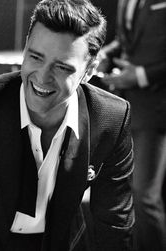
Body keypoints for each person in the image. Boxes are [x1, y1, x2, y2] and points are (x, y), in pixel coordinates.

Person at [0, 0, 134, 250]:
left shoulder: (111, 118)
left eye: (62, 67)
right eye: (35, 57)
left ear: (89, 70)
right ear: (25, 48)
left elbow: (115, 225)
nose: (42, 76)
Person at [97, 0, 166, 250]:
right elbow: (126, 40)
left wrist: (139, 75)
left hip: (156, 108)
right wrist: (105, 53)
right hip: (125, 105)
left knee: (145, 197)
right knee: (124, 193)